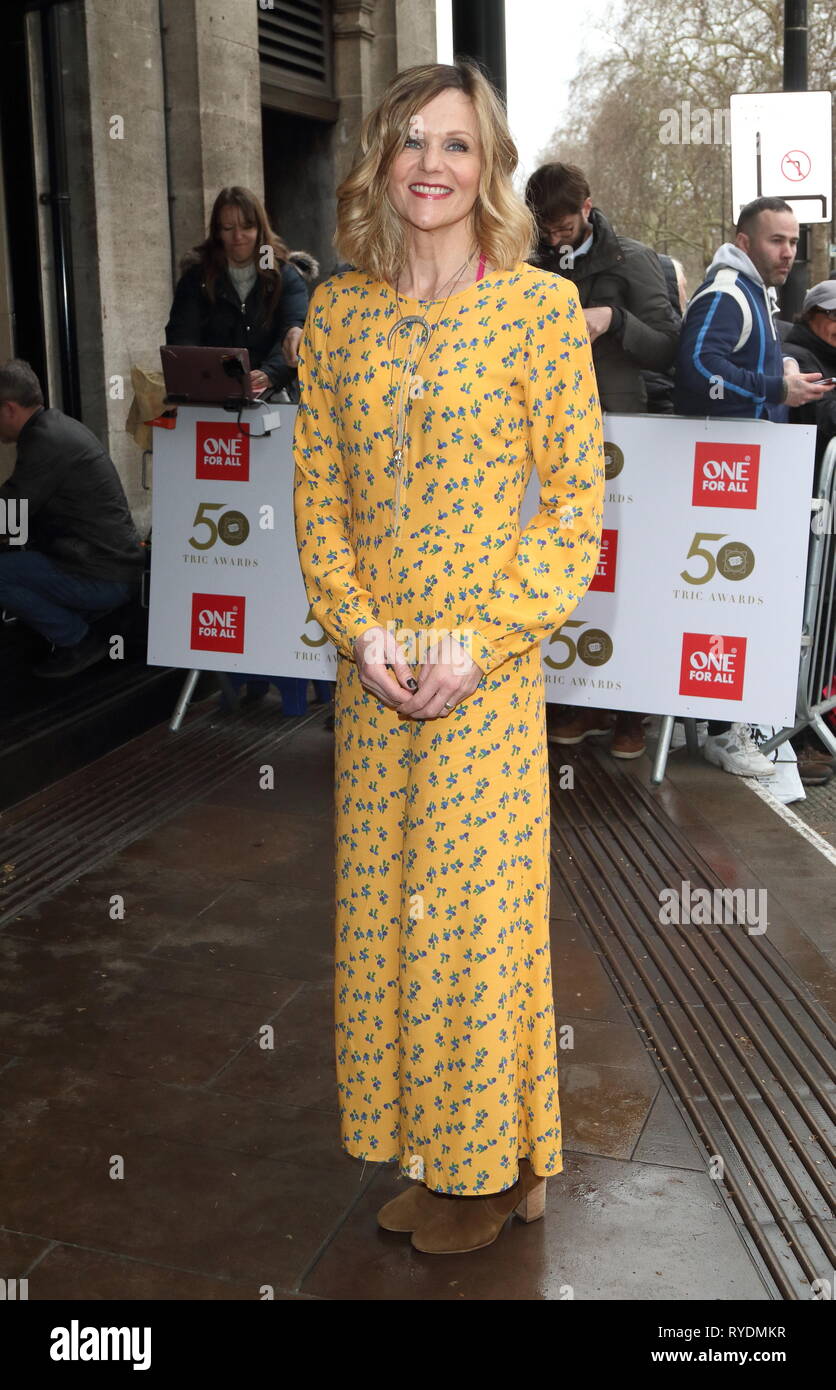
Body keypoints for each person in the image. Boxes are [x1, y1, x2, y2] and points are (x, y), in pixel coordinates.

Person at [292, 60, 604, 1256]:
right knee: (385, 919)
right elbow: (316, 497)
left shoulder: (532, 309)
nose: (432, 163)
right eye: (411, 141)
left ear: (491, 168)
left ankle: (473, 1174)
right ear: (378, 159)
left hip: (484, 669)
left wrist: (479, 646)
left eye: (458, 145)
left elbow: (575, 506)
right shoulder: (335, 314)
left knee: (474, 924)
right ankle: (507, 1152)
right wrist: (360, 631)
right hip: (373, 675)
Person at [674, 197, 834, 777]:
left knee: (741, 609)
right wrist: (775, 388)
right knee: (726, 608)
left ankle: (727, 725)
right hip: (725, 488)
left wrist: (781, 379)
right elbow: (695, 374)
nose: (788, 252)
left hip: (745, 486)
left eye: (793, 241)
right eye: (776, 240)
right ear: (744, 242)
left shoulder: (752, 293)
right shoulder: (726, 292)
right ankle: (722, 731)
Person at [526, 161, 680, 759]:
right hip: (550, 434)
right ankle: (574, 700)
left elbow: (670, 348)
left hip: (623, 434)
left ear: (587, 207)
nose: (555, 236)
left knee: (628, 575)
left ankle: (629, 712)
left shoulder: (634, 261)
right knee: (566, 571)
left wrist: (615, 321)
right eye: (546, 228)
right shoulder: (532, 261)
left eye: (563, 225)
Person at [0, 359, 144, 677]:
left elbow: (9, 515)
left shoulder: (44, 442)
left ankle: (77, 640)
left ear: (10, 408)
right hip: (105, 564)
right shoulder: (54, 427)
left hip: (102, 576)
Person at [165, 185, 310, 397]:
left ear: (260, 228)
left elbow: (295, 325)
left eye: (247, 226)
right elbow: (182, 337)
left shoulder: (284, 275)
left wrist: (270, 373)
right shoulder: (195, 279)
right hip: (211, 396)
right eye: (228, 227)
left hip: (277, 396)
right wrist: (209, 377)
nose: (238, 236)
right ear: (217, 232)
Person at [785, 280, 836, 785]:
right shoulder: (797, 353)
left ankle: (815, 724)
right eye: (833, 315)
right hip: (807, 523)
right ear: (812, 316)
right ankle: (798, 735)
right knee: (807, 625)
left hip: (826, 528)